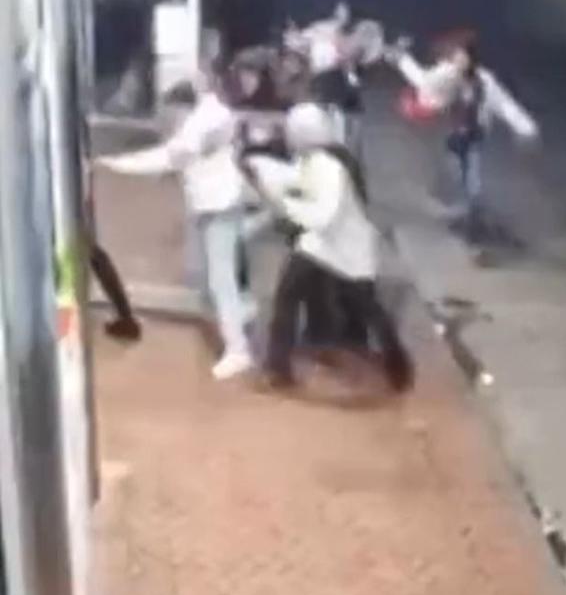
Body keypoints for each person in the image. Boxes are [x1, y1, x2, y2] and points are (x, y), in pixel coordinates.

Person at [241, 103, 414, 392]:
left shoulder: (329, 165)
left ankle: (398, 364)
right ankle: (278, 369)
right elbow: (293, 179)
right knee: (287, 295)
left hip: (346, 248)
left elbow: (323, 215)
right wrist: (260, 167)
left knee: (367, 306)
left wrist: (284, 205)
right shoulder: (313, 159)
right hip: (318, 245)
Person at [95, 79, 255, 381]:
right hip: (218, 204)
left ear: (183, 108)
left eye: (172, 113)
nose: (169, 121)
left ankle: (238, 349)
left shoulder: (196, 128)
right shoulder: (207, 118)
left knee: (220, 279)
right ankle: (242, 313)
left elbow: (162, 159)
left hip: (220, 205)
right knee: (216, 279)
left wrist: (110, 164)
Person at [388, 34, 539, 241]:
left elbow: (503, 104)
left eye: (465, 56)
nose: (461, 61)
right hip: (446, 134)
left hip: (473, 134)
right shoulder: (445, 75)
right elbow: (422, 80)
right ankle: (459, 211)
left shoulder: (484, 80)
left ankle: (471, 219)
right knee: (452, 173)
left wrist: (526, 128)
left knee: (469, 177)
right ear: (451, 57)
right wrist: (402, 59)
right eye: (457, 56)